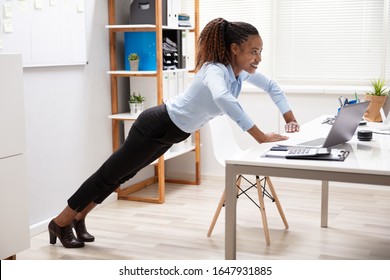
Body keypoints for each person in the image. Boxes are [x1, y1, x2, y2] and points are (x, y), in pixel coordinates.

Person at [48, 17, 300, 248]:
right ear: (235, 49)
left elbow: (271, 86)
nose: (258, 58)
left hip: (172, 133)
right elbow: (223, 98)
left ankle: (79, 218)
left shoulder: (239, 74)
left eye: (260, 52)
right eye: (254, 52)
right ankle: (60, 222)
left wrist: (289, 118)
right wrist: (259, 135)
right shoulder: (214, 70)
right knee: (108, 174)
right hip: (156, 125)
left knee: (121, 176)